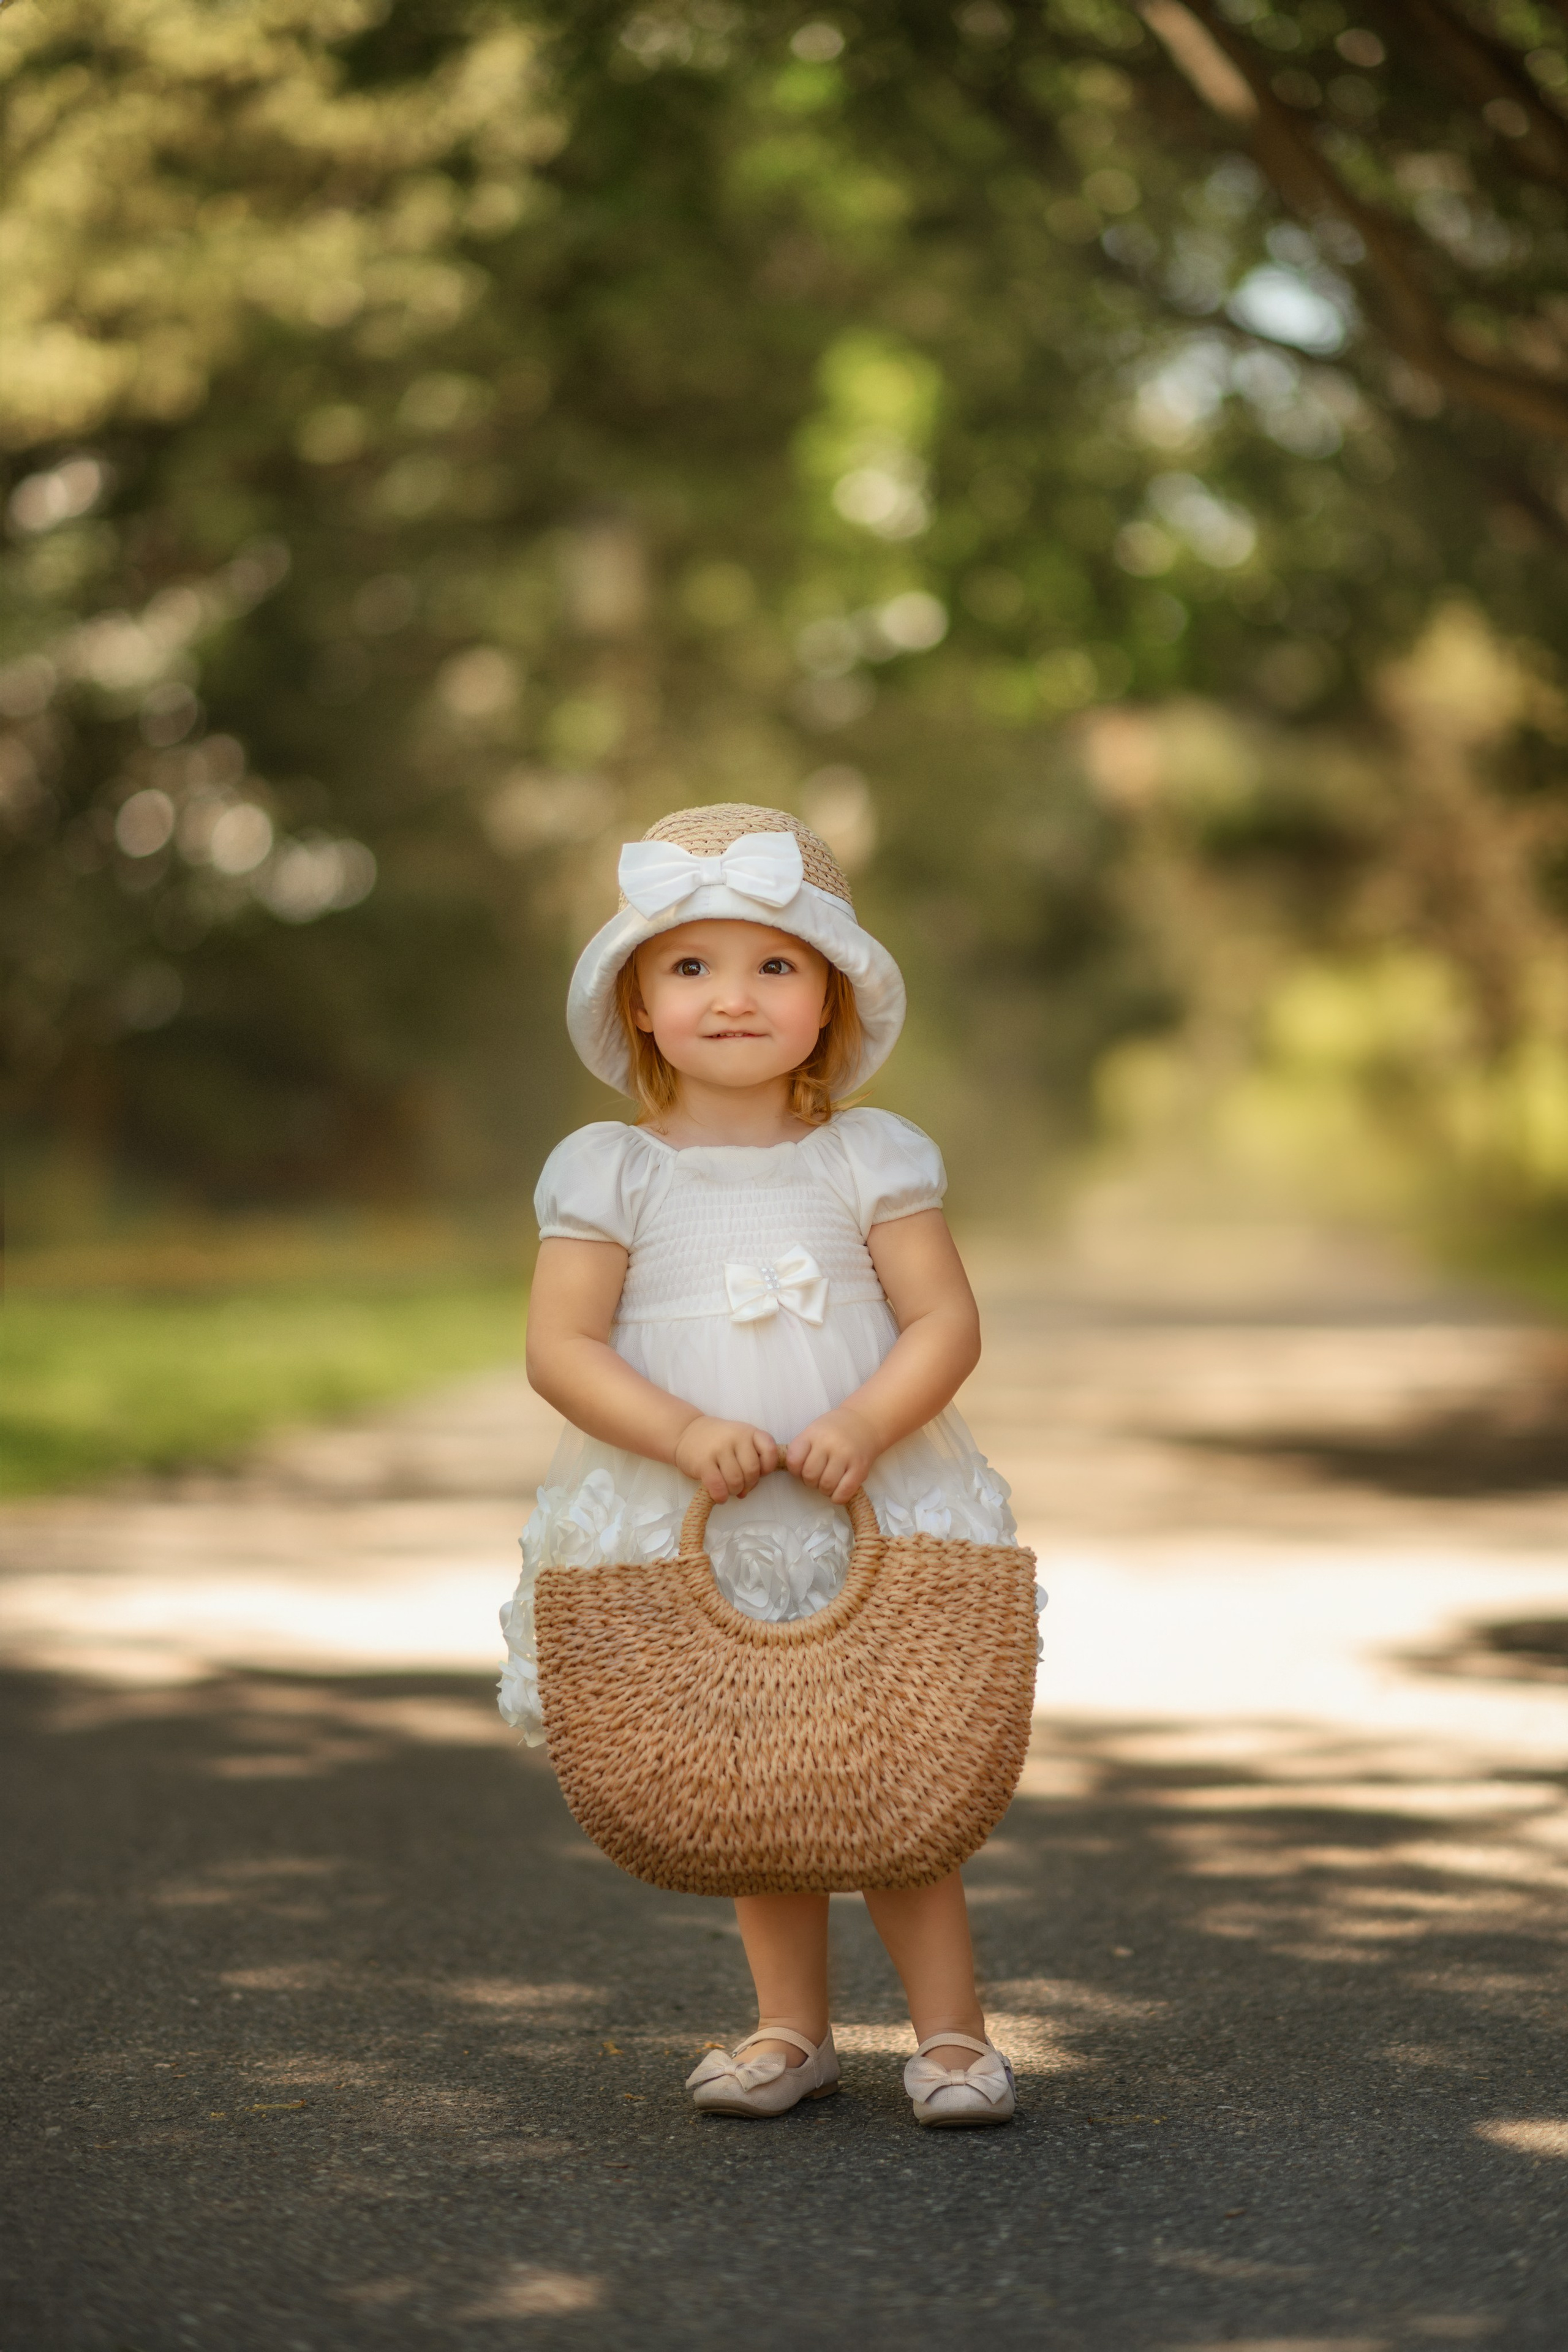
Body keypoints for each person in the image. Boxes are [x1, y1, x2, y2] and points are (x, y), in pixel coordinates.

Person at [499, 802, 1041, 2127]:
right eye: (690, 966)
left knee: (892, 1762)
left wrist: (863, 1422)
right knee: (764, 1776)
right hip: (698, 1507)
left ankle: (955, 2036)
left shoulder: (866, 1157)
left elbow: (944, 1321)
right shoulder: (610, 1169)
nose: (731, 996)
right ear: (636, 1002)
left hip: (864, 1497)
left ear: (829, 1003)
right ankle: (790, 2028)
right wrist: (682, 1434)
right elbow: (560, 1348)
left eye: (773, 966)